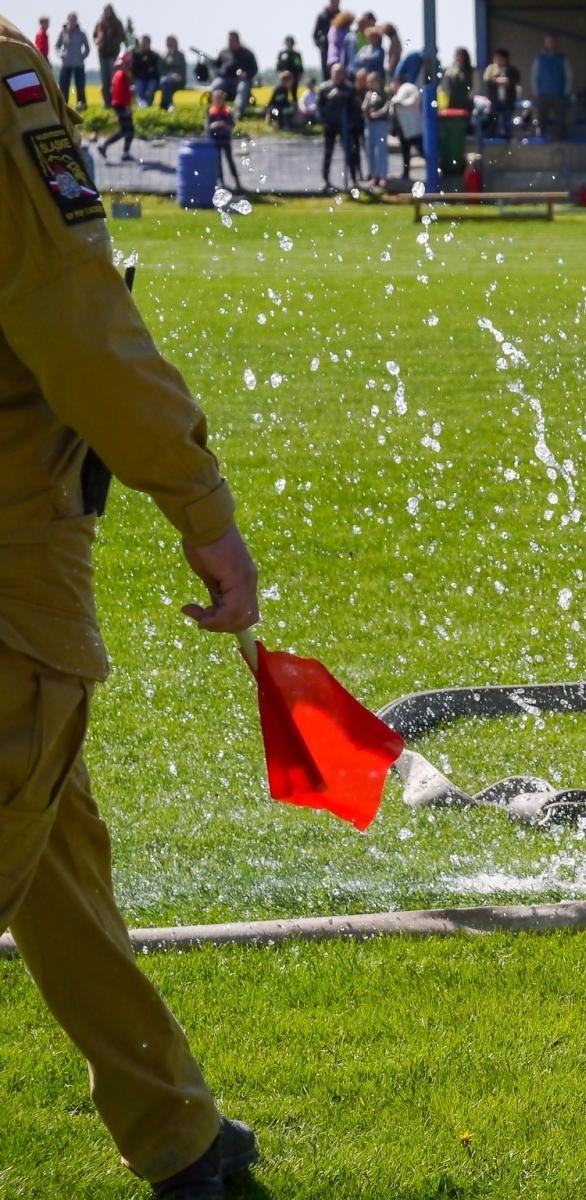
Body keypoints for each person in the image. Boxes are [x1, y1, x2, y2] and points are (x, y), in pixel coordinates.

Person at [0, 18, 263, 1199]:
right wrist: (201, 507)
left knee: (55, 848)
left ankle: (176, 1132)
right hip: (11, 553)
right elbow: (76, 321)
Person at [317, 60, 361, 188]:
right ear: (331, 73)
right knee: (328, 152)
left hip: (345, 125)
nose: (338, 75)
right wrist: (324, 120)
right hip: (330, 125)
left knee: (350, 152)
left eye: (340, 73)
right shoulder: (324, 88)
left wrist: (351, 123)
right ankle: (325, 179)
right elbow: (319, 107)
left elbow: (356, 108)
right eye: (336, 73)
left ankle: (353, 179)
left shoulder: (350, 88)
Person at [206, 85, 245, 190]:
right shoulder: (211, 111)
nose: (218, 101)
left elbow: (232, 124)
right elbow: (208, 127)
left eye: (220, 99)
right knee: (218, 162)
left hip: (225, 139)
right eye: (216, 99)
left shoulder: (227, 111)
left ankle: (237, 183)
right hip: (215, 140)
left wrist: (224, 125)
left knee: (230, 160)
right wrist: (213, 126)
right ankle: (221, 183)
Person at [532, 34, 570, 140]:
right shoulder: (539, 58)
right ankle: (541, 138)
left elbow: (569, 75)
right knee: (541, 118)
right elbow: (534, 75)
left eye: (553, 42)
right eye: (548, 42)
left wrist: (566, 91)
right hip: (543, 94)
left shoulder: (562, 58)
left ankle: (560, 138)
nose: (551, 44)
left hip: (559, 93)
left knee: (561, 118)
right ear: (545, 43)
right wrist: (536, 91)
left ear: (556, 43)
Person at [98, 48, 134, 160]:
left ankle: (122, 151)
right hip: (122, 105)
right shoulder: (122, 75)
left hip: (118, 105)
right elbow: (123, 93)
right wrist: (127, 106)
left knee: (126, 130)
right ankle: (105, 146)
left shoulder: (117, 75)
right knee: (127, 130)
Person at [214, 32, 257, 111]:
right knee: (216, 85)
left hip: (241, 80)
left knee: (242, 88)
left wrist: (246, 74)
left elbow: (254, 68)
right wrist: (221, 72)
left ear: (237, 40)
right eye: (228, 40)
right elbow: (216, 66)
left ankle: (238, 110)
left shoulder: (247, 53)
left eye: (231, 40)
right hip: (225, 79)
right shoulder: (223, 52)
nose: (229, 42)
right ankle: (216, 109)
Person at [92, 4, 124, 108]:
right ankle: (107, 102)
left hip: (113, 54)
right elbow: (94, 36)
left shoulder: (117, 23)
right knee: (104, 80)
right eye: (105, 11)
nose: (107, 13)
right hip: (102, 54)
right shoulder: (100, 23)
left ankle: (115, 101)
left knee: (113, 79)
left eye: (108, 10)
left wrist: (112, 40)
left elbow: (122, 37)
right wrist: (98, 40)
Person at [482, 46, 519, 136]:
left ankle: (507, 137)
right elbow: (487, 79)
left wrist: (506, 81)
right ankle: (492, 137)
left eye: (499, 58)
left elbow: (515, 80)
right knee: (493, 120)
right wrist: (497, 80)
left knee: (507, 120)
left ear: (505, 59)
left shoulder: (512, 70)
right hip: (495, 100)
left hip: (508, 100)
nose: (497, 60)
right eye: (495, 58)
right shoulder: (491, 69)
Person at [361, 74, 389, 188]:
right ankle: (374, 174)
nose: (369, 84)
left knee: (380, 150)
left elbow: (387, 107)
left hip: (380, 123)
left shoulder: (384, 94)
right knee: (370, 149)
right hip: (369, 124)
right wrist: (365, 110)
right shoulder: (369, 94)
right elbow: (364, 106)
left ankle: (383, 175)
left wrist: (378, 113)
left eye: (371, 81)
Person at [55, 11, 88, 109]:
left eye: (74, 20)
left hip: (78, 64)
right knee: (64, 86)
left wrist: (82, 56)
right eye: (71, 19)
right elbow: (57, 46)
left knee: (80, 86)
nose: (72, 21)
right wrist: (60, 54)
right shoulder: (63, 33)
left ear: (76, 21)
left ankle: (81, 105)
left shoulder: (81, 34)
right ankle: (64, 106)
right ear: (68, 20)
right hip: (66, 64)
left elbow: (87, 48)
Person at [391, 79, 423, 180]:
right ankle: (406, 173)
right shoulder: (397, 94)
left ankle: (435, 167)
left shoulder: (408, 88)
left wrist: (402, 103)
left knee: (420, 149)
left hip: (412, 127)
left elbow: (414, 100)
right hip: (403, 128)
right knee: (406, 151)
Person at [313, 0, 340, 80]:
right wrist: (320, 45)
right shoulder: (322, 16)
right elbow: (315, 34)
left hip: (337, 47)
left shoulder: (340, 15)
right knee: (325, 70)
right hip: (325, 47)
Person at [156, 34, 185, 110]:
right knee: (166, 82)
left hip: (177, 80)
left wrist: (177, 75)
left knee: (166, 83)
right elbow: (160, 69)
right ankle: (169, 104)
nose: (169, 44)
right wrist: (169, 74)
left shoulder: (180, 55)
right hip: (166, 79)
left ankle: (164, 105)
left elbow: (182, 68)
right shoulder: (163, 55)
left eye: (171, 42)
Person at [129, 33, 158, 107]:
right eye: (141, 43)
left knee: (150, 90)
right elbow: (133, 69)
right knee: (139, 89)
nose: (143, 45)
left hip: (151, 79)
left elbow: (156, 70)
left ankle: (147, 105)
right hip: (139, 79)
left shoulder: (154, 56)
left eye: (145, 43)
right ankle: (142, 105)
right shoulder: (135, 55)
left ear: (149, 44)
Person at [443, 46, 474, 112]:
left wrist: (470, 96)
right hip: (453, 101)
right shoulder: (450, 70)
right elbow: (445, 86)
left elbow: (476, 86)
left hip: (467, 103)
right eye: (456, 55)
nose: (457, 57)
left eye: (459, 55)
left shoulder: (472, 71)